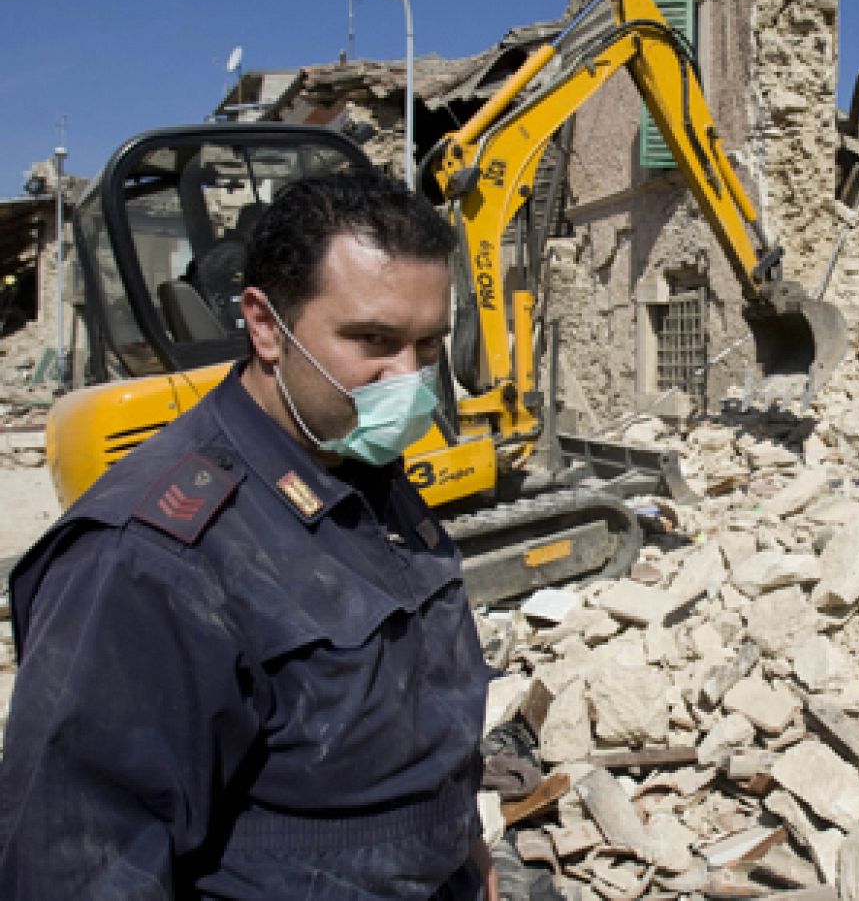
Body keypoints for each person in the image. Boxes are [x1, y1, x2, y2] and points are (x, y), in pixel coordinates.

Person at [0, 170, 498, 899]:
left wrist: (469, 849)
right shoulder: (150, 558)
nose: (411, 378)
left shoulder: (365, 469)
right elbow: (77, 862)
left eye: (429, 344)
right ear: (266, 325)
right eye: (375, 340)